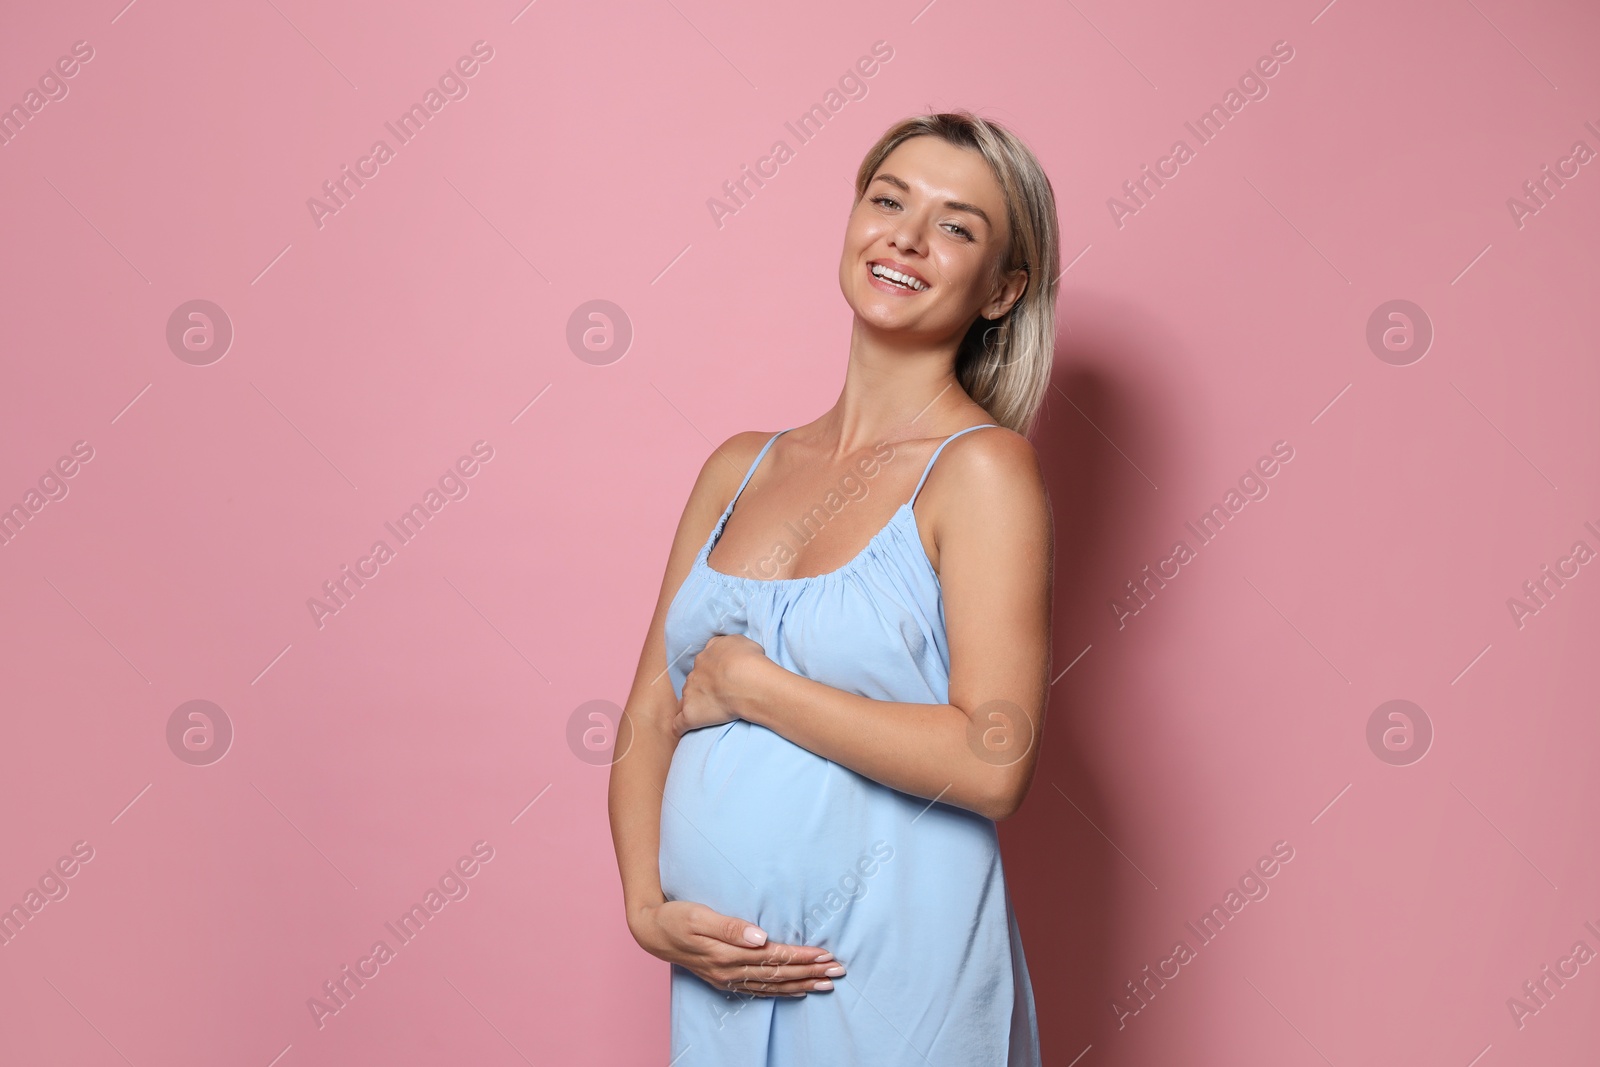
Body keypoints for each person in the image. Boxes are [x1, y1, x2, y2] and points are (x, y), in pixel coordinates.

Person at [608, 110, 1059, 1064]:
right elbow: (652, 705)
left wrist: (754, 689)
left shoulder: (982, 470)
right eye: (888, 199)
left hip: (896, 980)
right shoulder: (740, 466)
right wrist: (649, 907)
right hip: (723, 984)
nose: (905, 234)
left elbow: (994, 760)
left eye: (955, 225)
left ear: (1002, 290)